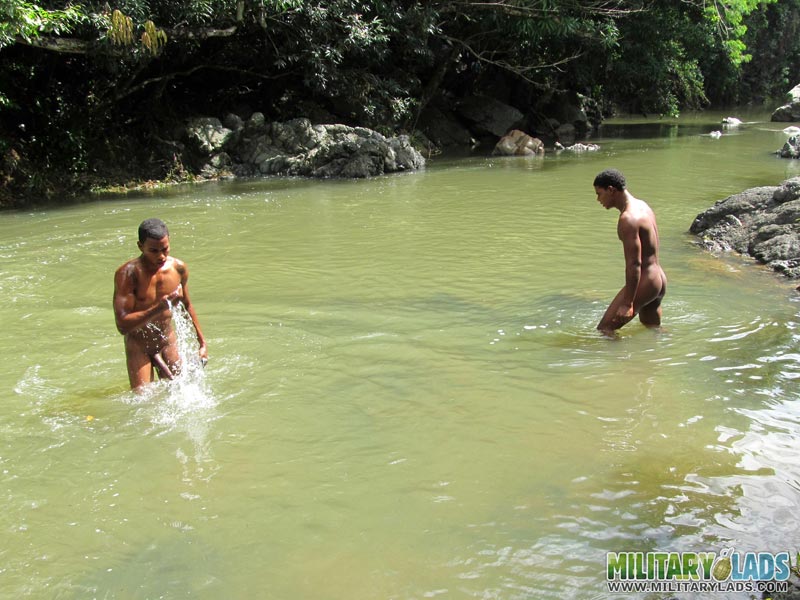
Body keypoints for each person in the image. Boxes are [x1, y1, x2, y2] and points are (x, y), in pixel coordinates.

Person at [113, 218, 208, 389]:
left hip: (166, 339)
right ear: (140, 246)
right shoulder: (128, 274)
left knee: (181, 390)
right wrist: (159, 308)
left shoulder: (178, 268)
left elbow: (187, 306)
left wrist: (202, 343)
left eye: (165, 249)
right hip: (138, 344)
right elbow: (122, 325)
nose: (161, 256)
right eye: (153, 251)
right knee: (144, 401)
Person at [593, 169, 667, 335]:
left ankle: (623, 361)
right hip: (659, 277)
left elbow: (634, 264)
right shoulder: (643, 205)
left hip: (646, 280)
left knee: (605, 330)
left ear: (611, 190)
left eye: (599, 194)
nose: (598, 199)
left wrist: (628, 303)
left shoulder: (628, 219)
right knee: (653, 329)